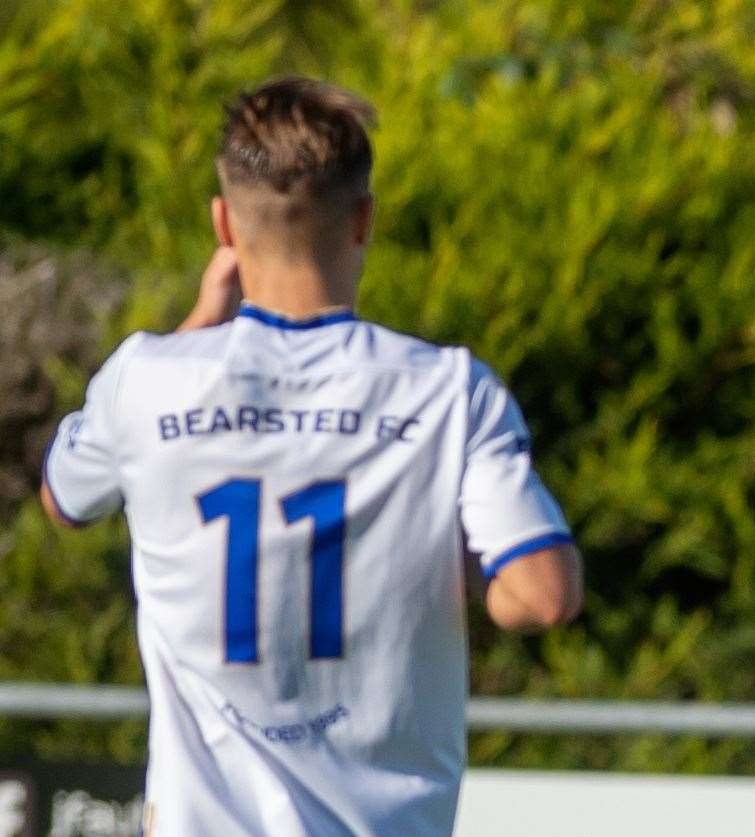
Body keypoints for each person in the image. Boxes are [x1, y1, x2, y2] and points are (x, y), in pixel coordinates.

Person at [39, 76, 583, 835]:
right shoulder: (451, 392)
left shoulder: (146, 381)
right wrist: (454, 575)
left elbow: (64, 497)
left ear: (224, 224)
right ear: (363, 219)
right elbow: (543, 594)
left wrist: (198, 321)